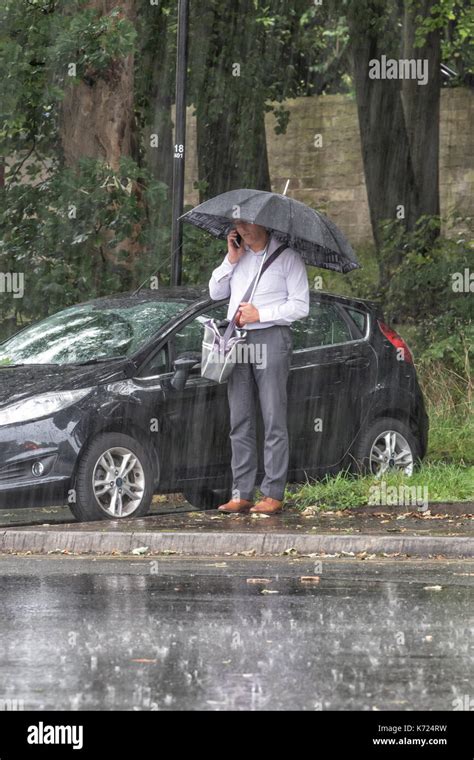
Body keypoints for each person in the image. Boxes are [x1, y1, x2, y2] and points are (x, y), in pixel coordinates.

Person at [208, 220, 309, 514]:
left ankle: (273, 493)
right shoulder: (238, 257)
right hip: (236, 340)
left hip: (271, 338)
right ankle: (241, 493)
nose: (243, 229)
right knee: (240, 417)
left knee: (273, 415)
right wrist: (231, 259)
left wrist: (261, 313)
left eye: (249, 224)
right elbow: (215, 292)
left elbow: (301, 306)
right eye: (239, 224)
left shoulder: (287, 257)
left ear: (265, 224)